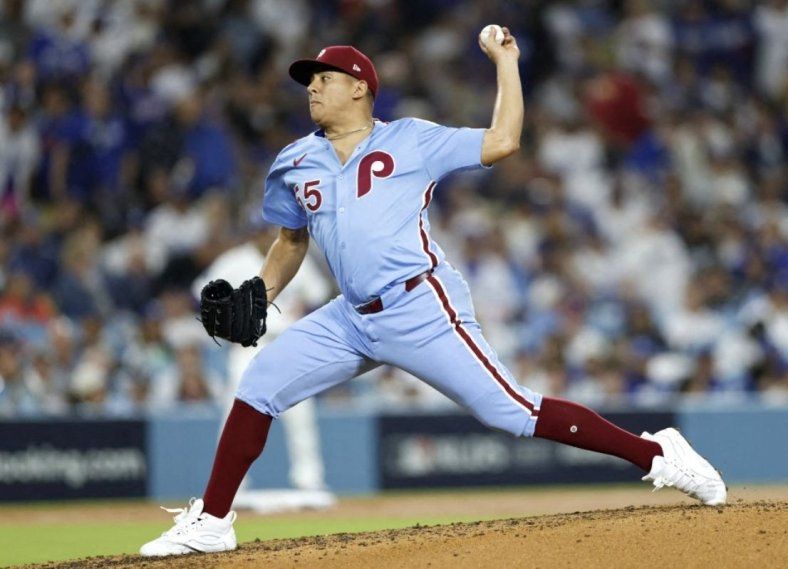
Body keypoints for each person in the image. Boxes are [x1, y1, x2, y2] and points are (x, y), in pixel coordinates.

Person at [140, 28, 726, 557]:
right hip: (349, 316)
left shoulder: (411, 140)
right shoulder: (295, 161)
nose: (312, 90)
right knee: (260, 383)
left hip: (420, 304)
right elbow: (291, 240)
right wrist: (262, 291)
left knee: (512, 411)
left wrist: (506, 62)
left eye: (324, 79)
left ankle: (657, 455)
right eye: (309, 82)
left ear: (360, 89)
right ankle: (214, 521)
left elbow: (503, 141)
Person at [191, 217, 336, 511]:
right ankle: (233, 488)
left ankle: (310, 481)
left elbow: (319, 291)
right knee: (235, 414)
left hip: (287, 345)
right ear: (250, 233)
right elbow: (199, 290)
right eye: (257, 230)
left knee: (301, 414)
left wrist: (302, 307)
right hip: (247, 347)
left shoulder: (289, 255)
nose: (262, 235)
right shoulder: (235, 260)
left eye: (267, 230)